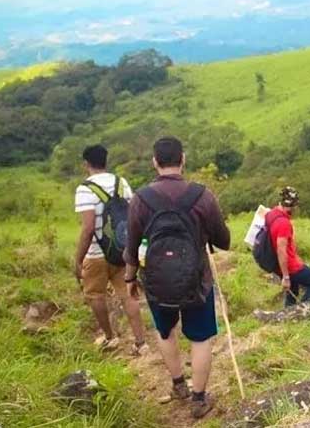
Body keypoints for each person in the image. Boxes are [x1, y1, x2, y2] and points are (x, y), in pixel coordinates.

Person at [123, 137, 230, 419]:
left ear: (154, 162)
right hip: (198, 281)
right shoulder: (202, 195)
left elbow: (132, 245)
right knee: (200, 338)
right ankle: (198, 399)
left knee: (165, 332)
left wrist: (130, 278)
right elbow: (225, 240)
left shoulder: (140, 199)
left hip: (157, 282)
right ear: (183, 159)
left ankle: (178, 385)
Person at [73, 144, 147, 355]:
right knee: (127, 294)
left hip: (96, 253)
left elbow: (87, 228)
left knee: (95, 295)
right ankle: (141, 343)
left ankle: (109, 337)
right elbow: (132, 215)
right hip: (121, 249)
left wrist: (78, 259)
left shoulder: (84, 189)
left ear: (86, 164)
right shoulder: (120, 182)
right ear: (107, 161)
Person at [264, 186, 310, 307]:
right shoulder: (283, 223)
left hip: (277, 265)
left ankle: (288, 314)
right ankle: (303, 310)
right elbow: (281, 250)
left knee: (293, 290)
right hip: (290, 267)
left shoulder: (271, 214)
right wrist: (286, 276)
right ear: (293, 205)